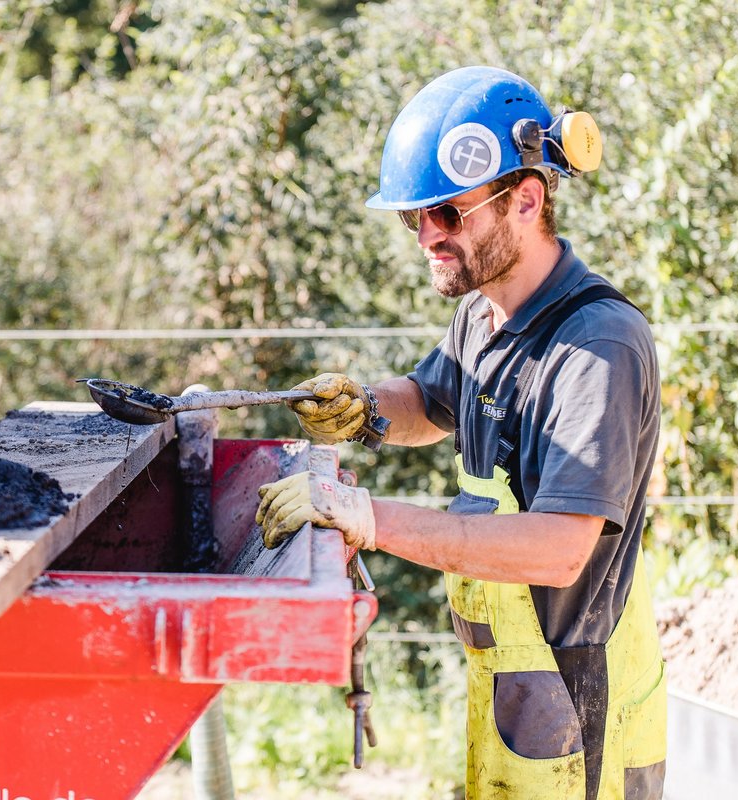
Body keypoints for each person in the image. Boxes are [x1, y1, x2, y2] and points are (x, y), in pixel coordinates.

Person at [254, 66, 666, 800]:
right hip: (510, 676)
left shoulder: (596, 348)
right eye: (412, 218)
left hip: (579, 691)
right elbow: (431, 401)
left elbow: (559, 549)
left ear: (526, 200)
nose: (426, 237)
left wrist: (369, 518)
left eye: (445, 213)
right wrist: (368, 408)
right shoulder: (483, 311)